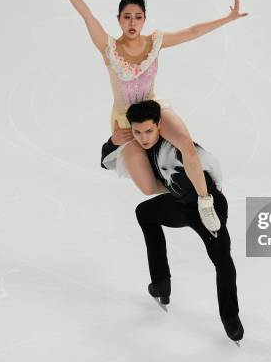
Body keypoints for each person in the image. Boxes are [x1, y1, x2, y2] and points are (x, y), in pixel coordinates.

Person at [43, 0, 249, 233]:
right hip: (126, 121)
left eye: (137, 17)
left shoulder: (155, 42)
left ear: (144, 19)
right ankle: (178, 193)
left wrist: (227, 18)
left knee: (186, 144)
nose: (132, 22)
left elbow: (192, 32)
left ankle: (204, 201)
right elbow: (88, 17)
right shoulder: (109, 49)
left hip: (154, 109)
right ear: (119, 19)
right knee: (146, 187)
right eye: (127, 17)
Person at [100, 100, 244, 344]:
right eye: (137, 132)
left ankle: (231, 318)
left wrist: (205, 202)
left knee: (222, 259)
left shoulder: (176, 147)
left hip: (208, 206)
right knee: (145, 213)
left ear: (159, 126)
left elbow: (194, 159)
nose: (144, 138)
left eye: (149, 131)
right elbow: (106, 160)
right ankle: (161, 284)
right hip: (179, 206)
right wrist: (113, 141)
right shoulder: (144, 148)